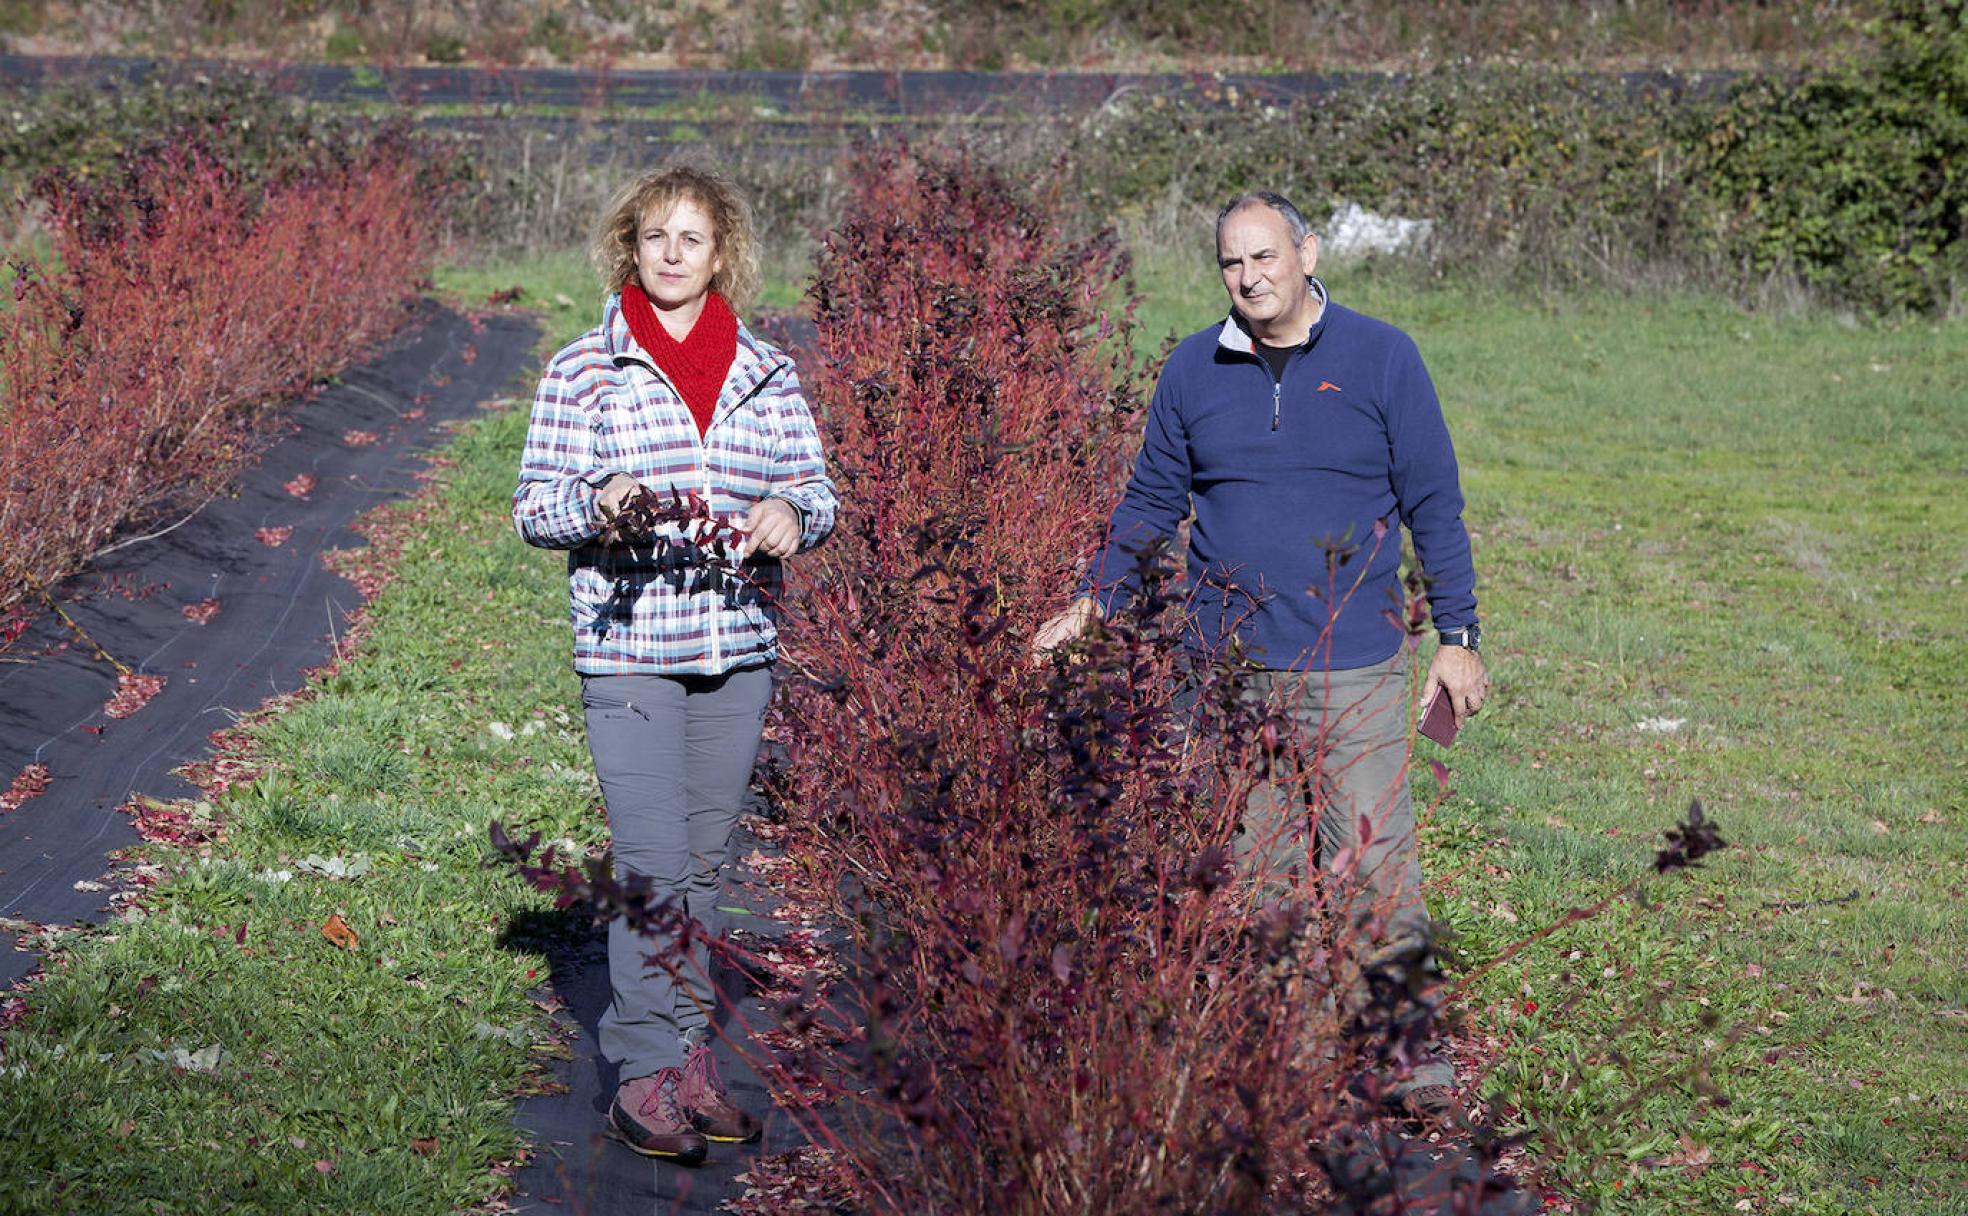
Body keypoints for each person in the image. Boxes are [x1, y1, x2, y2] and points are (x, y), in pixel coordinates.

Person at [1034, 190, 1488, 1118]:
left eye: (1266, 256)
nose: (1250, 277)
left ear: (1307, 251)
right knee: (1254, 868)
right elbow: (1151, 503)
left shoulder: (1383, 357)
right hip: (1226, 670)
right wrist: (1096, 603)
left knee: (1372, 862)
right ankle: (1286, 1046)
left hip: (1353, 660)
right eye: (1232, 264)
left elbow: (1435, 502)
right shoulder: (1193, 371)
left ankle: (1405, 1049)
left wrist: (1458, 637)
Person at [512, 164, 837, 1165]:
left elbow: (815, 489)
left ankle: (690, 1056)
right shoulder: (585, 370)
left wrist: (793, 515)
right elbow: (533, 507)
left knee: (701, 869)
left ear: (720, 253)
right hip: (631, 650)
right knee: (654, 868)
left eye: (689, 239)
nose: (670, 253)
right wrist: (598, 498)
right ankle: (645, 1073)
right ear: (630, 245)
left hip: (736, 652)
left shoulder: (767, 370)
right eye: (654, 235)